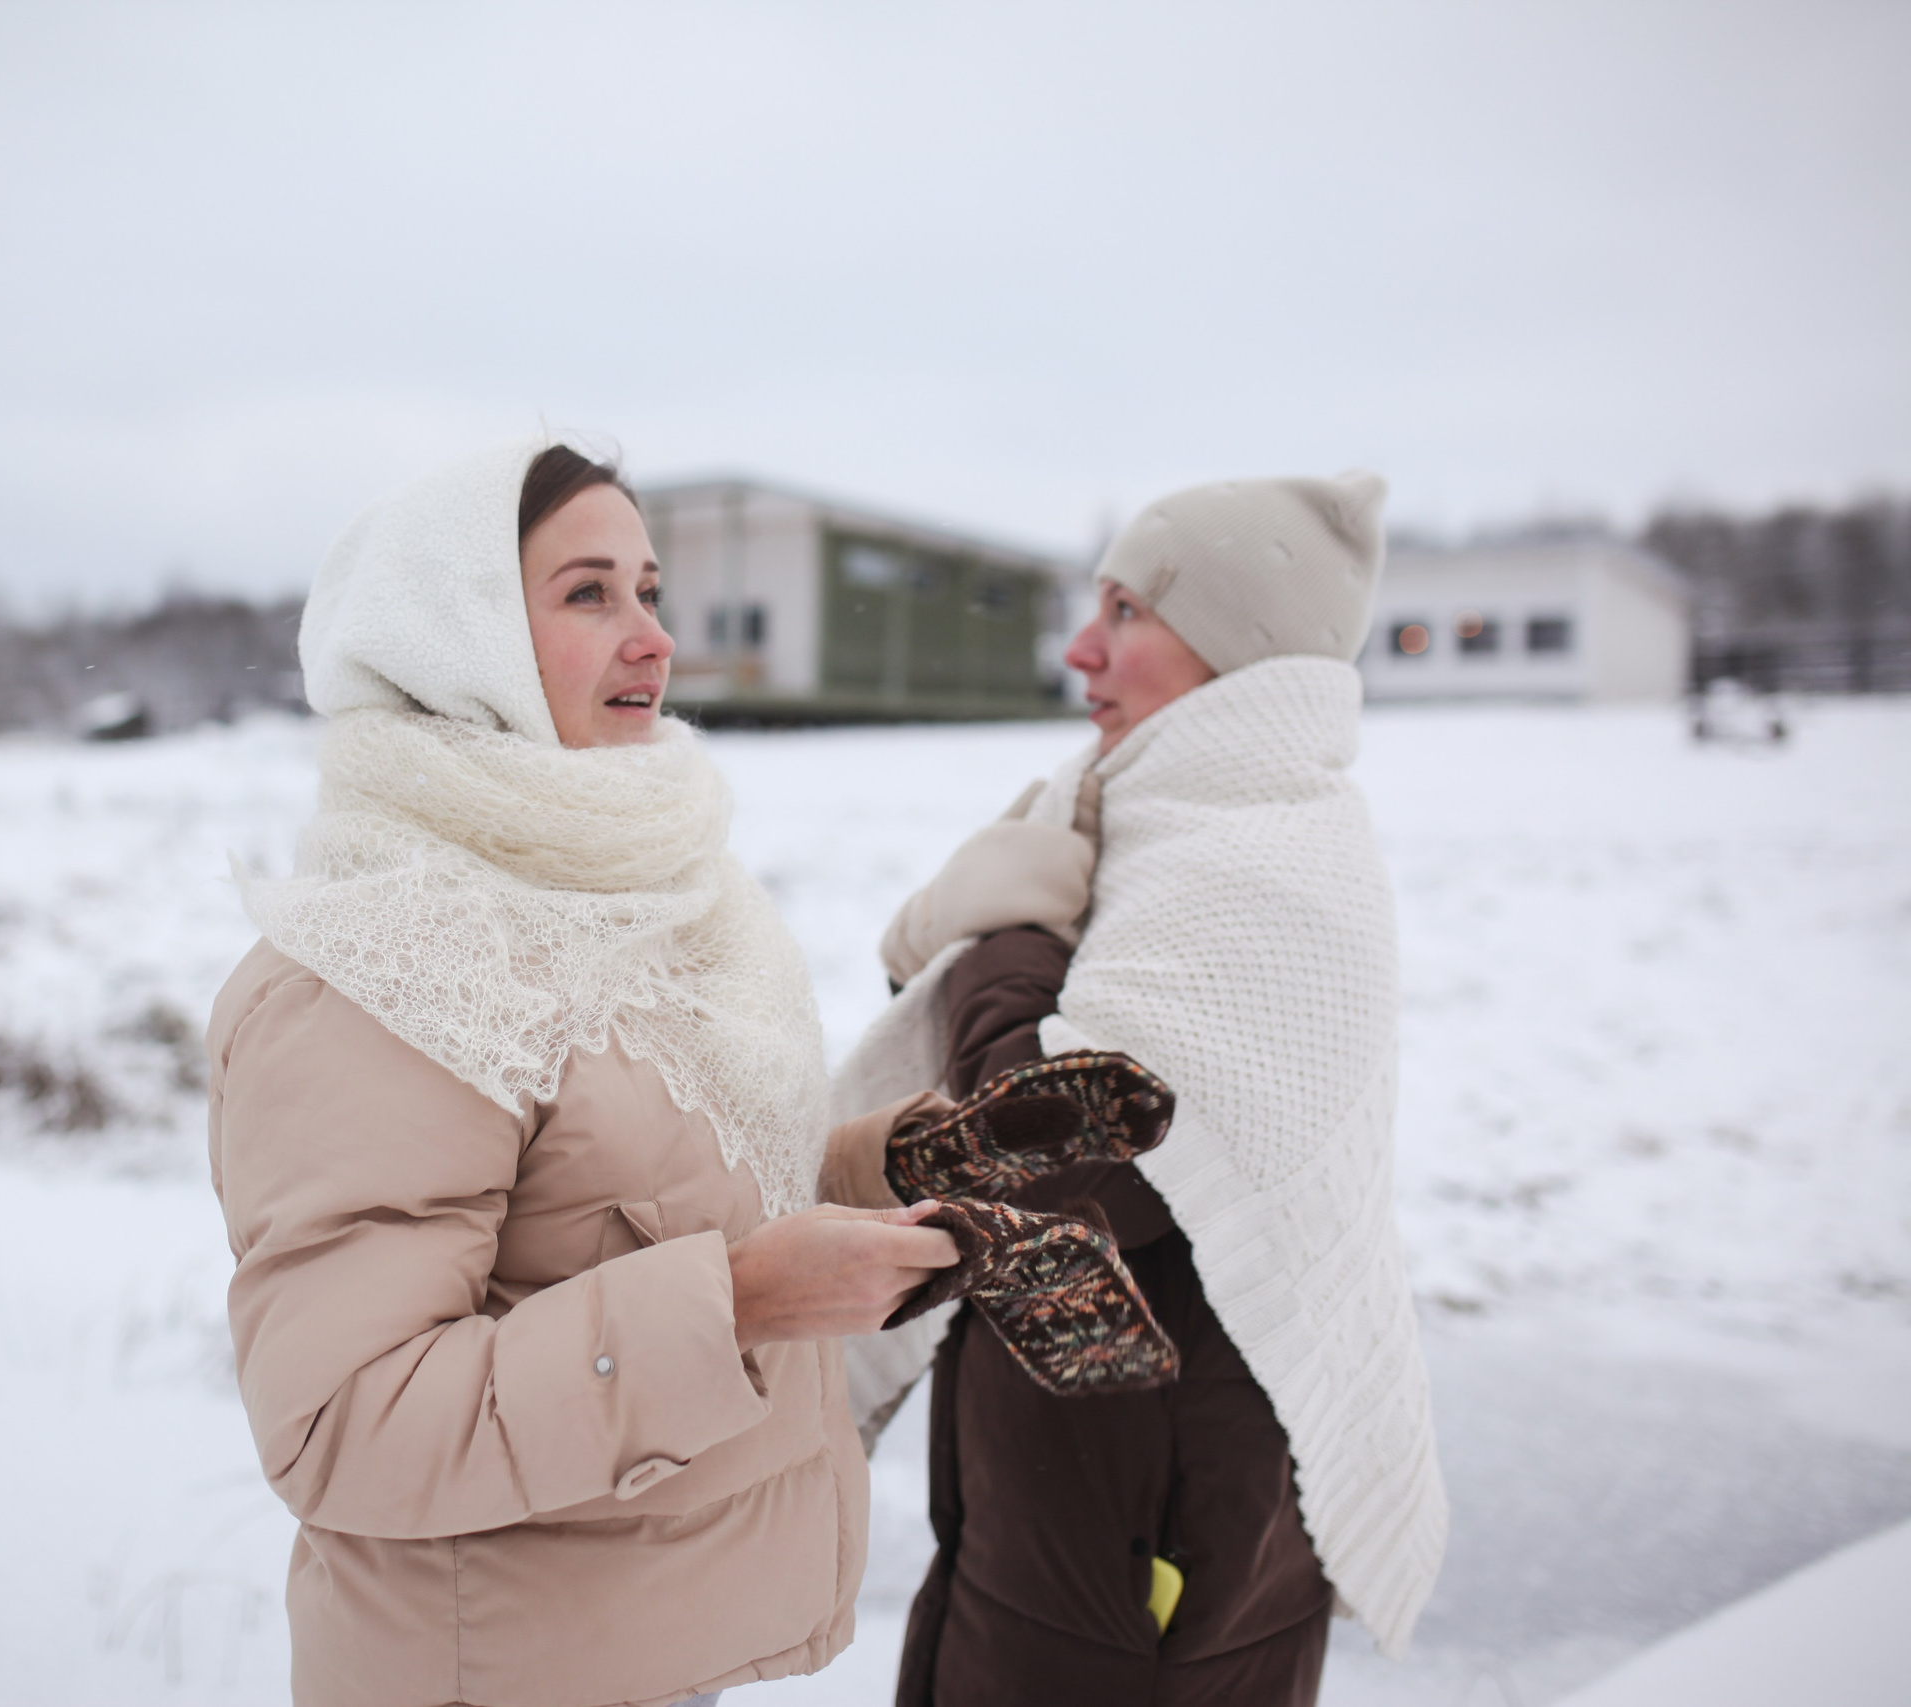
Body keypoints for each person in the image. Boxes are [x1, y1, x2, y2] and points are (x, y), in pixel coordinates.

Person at [204, 439, 957, 1707]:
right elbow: (347, 1420)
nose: (654, 636)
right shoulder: (380, 967)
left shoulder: (636, 898)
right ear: (461, 636)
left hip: (637, 1648)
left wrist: (879, 1167)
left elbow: (623, 1197)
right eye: (588, 593)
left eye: (650, 590)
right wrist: (736, 1308)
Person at [830, 474, 1450, 1704]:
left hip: (1144, 1552)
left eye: (1125, 610)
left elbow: (1050, 1155)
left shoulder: (1257, 867)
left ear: (1236, 648)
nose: (1079, 648)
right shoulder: (1164, 829)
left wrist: (1010, 938)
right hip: (1095, 1495)